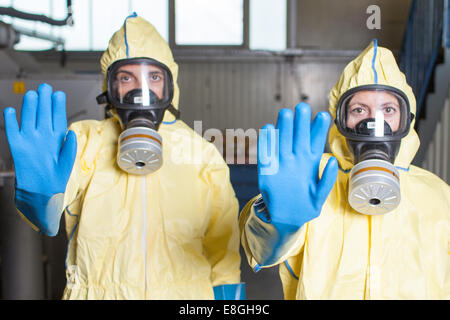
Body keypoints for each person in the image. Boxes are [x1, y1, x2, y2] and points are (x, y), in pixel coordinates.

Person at [3, 13, 244, 300]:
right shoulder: (83, 140)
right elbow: (47, 219)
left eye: (153, 77)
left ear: (170, 87)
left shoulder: (201, 154)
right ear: (110, 88)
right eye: (126, 78)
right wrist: (39, 195)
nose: (141, 91)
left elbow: (224, 250)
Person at [239, 40, 449, 299]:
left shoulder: (439, 196)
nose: (374, 124)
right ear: (341, 120)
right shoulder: (312, 179)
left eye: (388, 110)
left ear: (406, 119)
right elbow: (261, 253)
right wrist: (277, 223)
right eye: (359, 110)